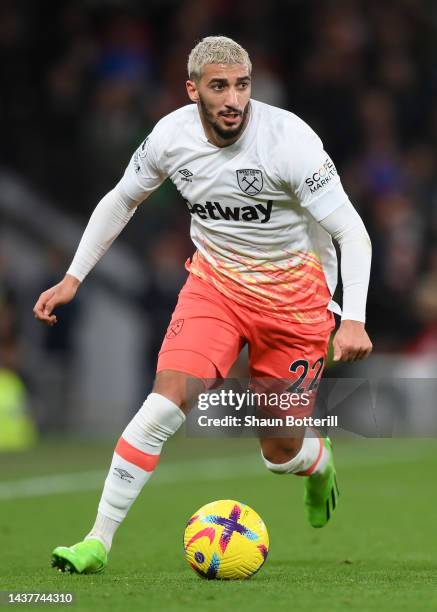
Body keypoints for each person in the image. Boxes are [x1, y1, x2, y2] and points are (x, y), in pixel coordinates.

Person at [33, 36, 372, 574]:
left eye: (242, 85)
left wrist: (352, 318)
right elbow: (122, 197)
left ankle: (317, 461)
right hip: (215, 287)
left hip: (296, 302)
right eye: (219, 86)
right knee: (164, 405)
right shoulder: (170, 137)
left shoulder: (289, 141)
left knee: (278, 452)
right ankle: (96, 541)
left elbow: (352, 232)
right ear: (193, 90)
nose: (234, 98)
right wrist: (74, 277)